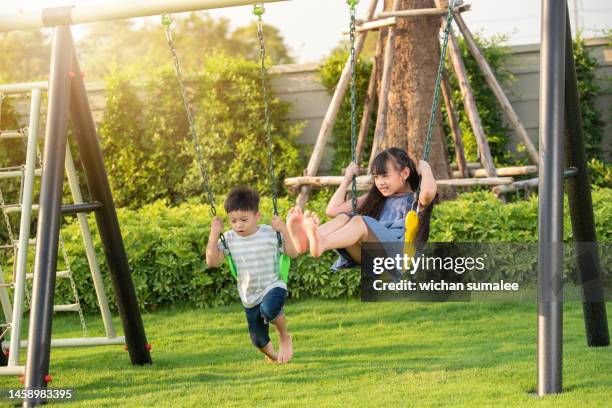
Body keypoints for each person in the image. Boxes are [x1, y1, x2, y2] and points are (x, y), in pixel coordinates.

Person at [286, 147, 437, 270]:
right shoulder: (378, 197)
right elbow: (332, 210)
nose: (380, 182)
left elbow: (429, 192)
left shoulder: (415, 200)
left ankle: (321, 242)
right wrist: (347, 179)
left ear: (404, 173)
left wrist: (426, 169)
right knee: (346, 217)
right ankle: (306, 241)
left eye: (385, 176)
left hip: (397, 256)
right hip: (370, 256)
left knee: (358, 221)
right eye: (376, 177)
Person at [206, 187, 298, 363]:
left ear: (257, 216)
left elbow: (293, 254)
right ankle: (275, 358)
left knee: (269, 309)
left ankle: (284, 336)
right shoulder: (229, 238)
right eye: (233, 220)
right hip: (249, 295)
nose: (238, 225)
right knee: (258, 340)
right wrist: (214, 234)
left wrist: (283, 229)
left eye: (244, 220)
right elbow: (212, 262)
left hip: (273, 285)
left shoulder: (270, 233)